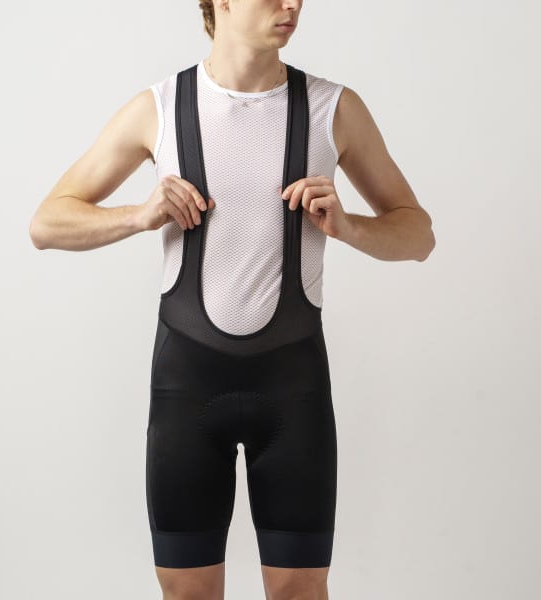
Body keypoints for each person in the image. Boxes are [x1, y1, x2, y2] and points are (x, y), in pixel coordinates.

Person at [29, 0, 435, 598]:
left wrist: (348, 226)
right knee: (188, 593)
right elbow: (47, 223)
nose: (292, 4)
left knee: (299, 591)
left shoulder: (333, 108)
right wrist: (139, 215)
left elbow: (419, 235)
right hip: (186, 392)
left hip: (293, 392)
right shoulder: (160, 107)